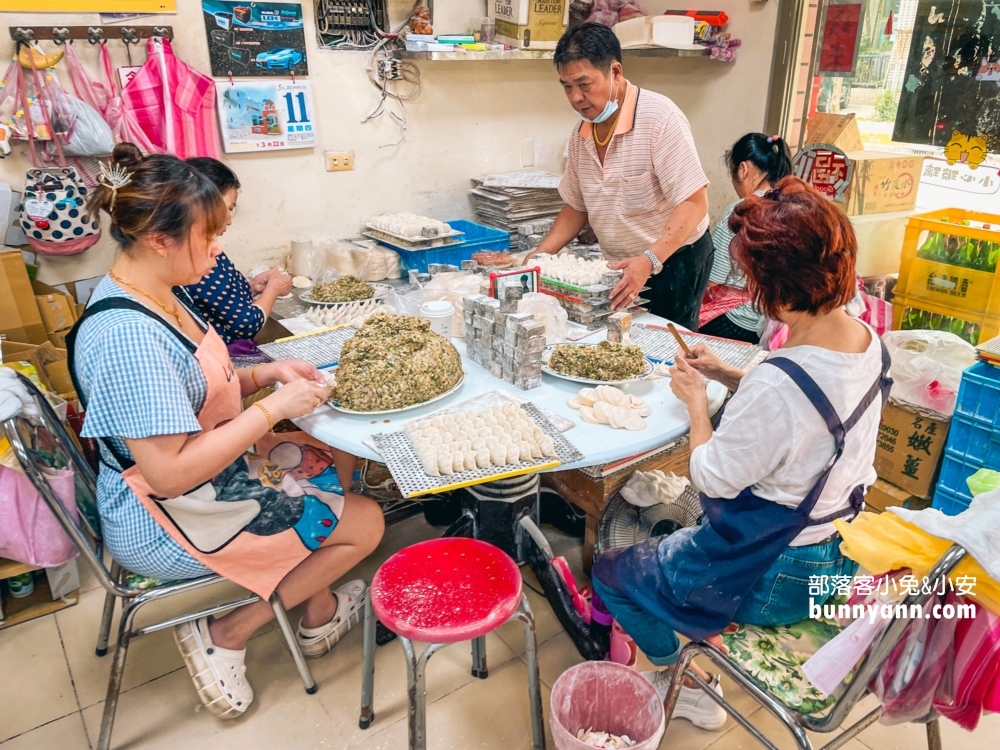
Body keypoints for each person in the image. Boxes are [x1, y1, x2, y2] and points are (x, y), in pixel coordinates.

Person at [69, 144, 385, 719]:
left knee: (331, 449)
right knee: (365, 522)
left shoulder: (160, 292)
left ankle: (315, 608)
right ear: (159, 238)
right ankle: (229, 632)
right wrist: (270, 409)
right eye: (209, 235)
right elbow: (166, 474)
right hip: (163, 513)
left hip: (202, 473)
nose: (219, 249)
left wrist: (266, 373)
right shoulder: (126, 337)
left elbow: (193, 387)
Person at [591, 177, 891, 730]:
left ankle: (687, 679)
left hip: (775, 572)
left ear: (776, 286)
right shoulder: (865, 341)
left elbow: (711, 478)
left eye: (752, 280)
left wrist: (697, 405)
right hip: (840, 553)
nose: (750, 292)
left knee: (612, 574)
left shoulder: (777, 383)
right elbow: (813, 416)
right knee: (665, 545)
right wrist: (732, 374)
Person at [525, 23, 713, 330]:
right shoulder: (581, 133)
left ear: (615, 72)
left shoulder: (660, 118)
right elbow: (576, 207)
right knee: (621, 342)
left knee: (667, 349)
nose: (575, 98)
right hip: (621, 265)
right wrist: (541, 254)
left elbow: (694, 202)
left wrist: (649, 260)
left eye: (584, 85)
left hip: (674, 260)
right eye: (567, 86)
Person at [178, 157, 292, 346]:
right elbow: (246, 324)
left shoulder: (207, 245)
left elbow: (219, 301)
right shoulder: (193, 253)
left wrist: (252, 287)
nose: (229, 220)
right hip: (224, 353)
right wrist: (273, 289)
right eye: (228, 208)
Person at [699, 133, 792, 343]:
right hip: (775, 323)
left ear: (743, 169)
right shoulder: (789, 206)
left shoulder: (740, 210)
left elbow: (714, 279)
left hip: (738, 321)